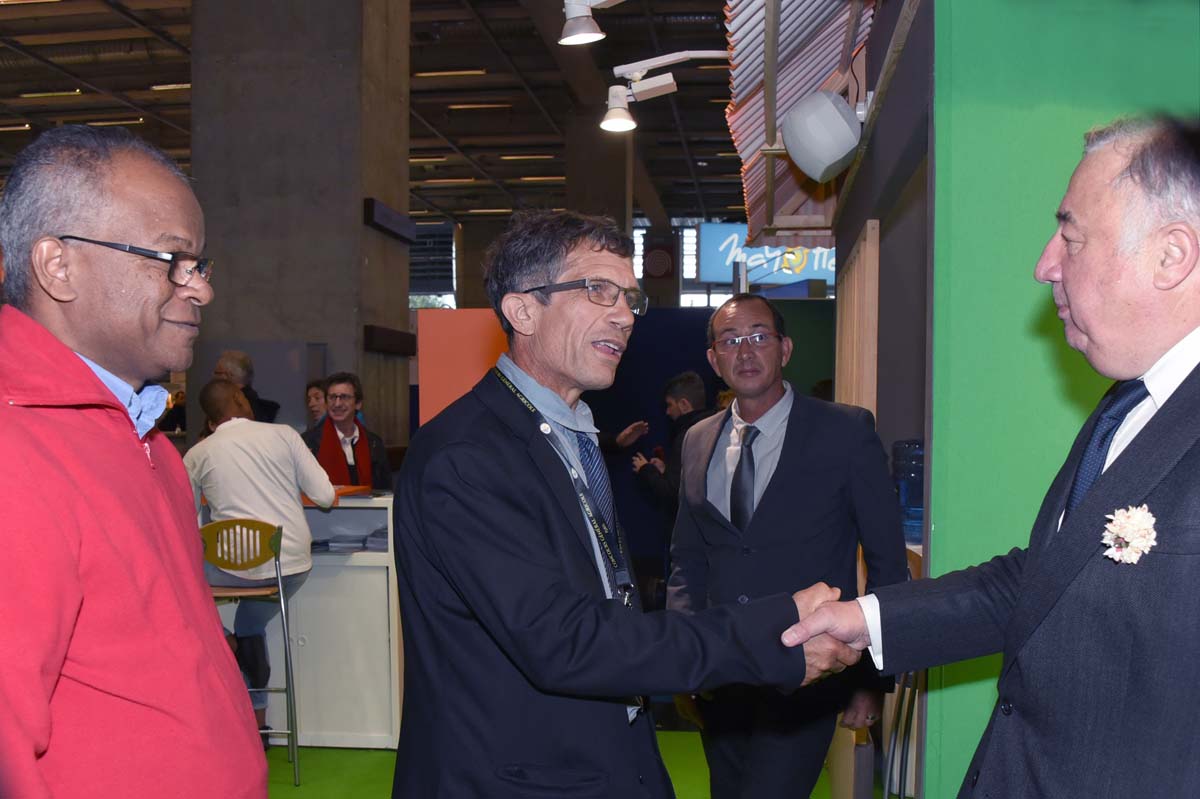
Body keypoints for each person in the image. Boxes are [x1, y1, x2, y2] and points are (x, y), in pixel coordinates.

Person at [783, 116, 1200, 797]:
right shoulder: (1125, 403)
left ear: (1171, 255)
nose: (1045, 265)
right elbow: (1045, 581)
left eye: (1071, 236)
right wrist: (868, 618)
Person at [389, 209, 860, 798]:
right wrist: (772, 631)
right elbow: (566, 643)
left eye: (629, 298)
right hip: (517, 776)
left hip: (604, 753)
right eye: (596, 290)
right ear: (523, 309)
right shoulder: (466, 459)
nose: (623, 315)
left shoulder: (568, 433)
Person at [0, 125, 266, 797]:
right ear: (58, 266)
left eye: (200, 265)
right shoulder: (17, 448)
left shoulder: (144, 441)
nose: (199, 289)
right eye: (172, 260)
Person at [668, 293, 908, 798]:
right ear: (714, 360)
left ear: (786, 349)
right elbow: (688, 559)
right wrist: (684, 653)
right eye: (730, 341)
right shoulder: (696, 440)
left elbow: (886, 560)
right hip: (721, 671)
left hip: (809, 668)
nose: (746, 351)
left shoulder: (845, 430)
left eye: (759, 337)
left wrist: (871, 678)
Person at [184, 378, 336, 735]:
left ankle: (229, 642)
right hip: (290, 566)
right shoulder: (283, 434)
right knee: (251, 626)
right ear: (239, 399)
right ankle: (259, 727)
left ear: (209, 419)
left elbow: (186, 521)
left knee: (177, 592)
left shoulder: (197, 454)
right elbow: (326, 496)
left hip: (229, 571)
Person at [631, 370, 715, 517]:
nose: (667, 412)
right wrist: (666, 470)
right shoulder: (716, 429)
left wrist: (645, 469)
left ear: (683, 405)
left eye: (669, 405)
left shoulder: (687, 437)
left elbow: (673, 494)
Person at [302, 371, 392, 490]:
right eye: (332, 397)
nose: (337, 404)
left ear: (358, 404)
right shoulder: (308, 442)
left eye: (344, 397)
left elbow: (385, 491)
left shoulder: (374, 443)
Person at [215, 349, 280, 423]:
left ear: (229, 375)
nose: (213, 377)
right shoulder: (262, 408)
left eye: (217, 373)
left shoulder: (229, 410)